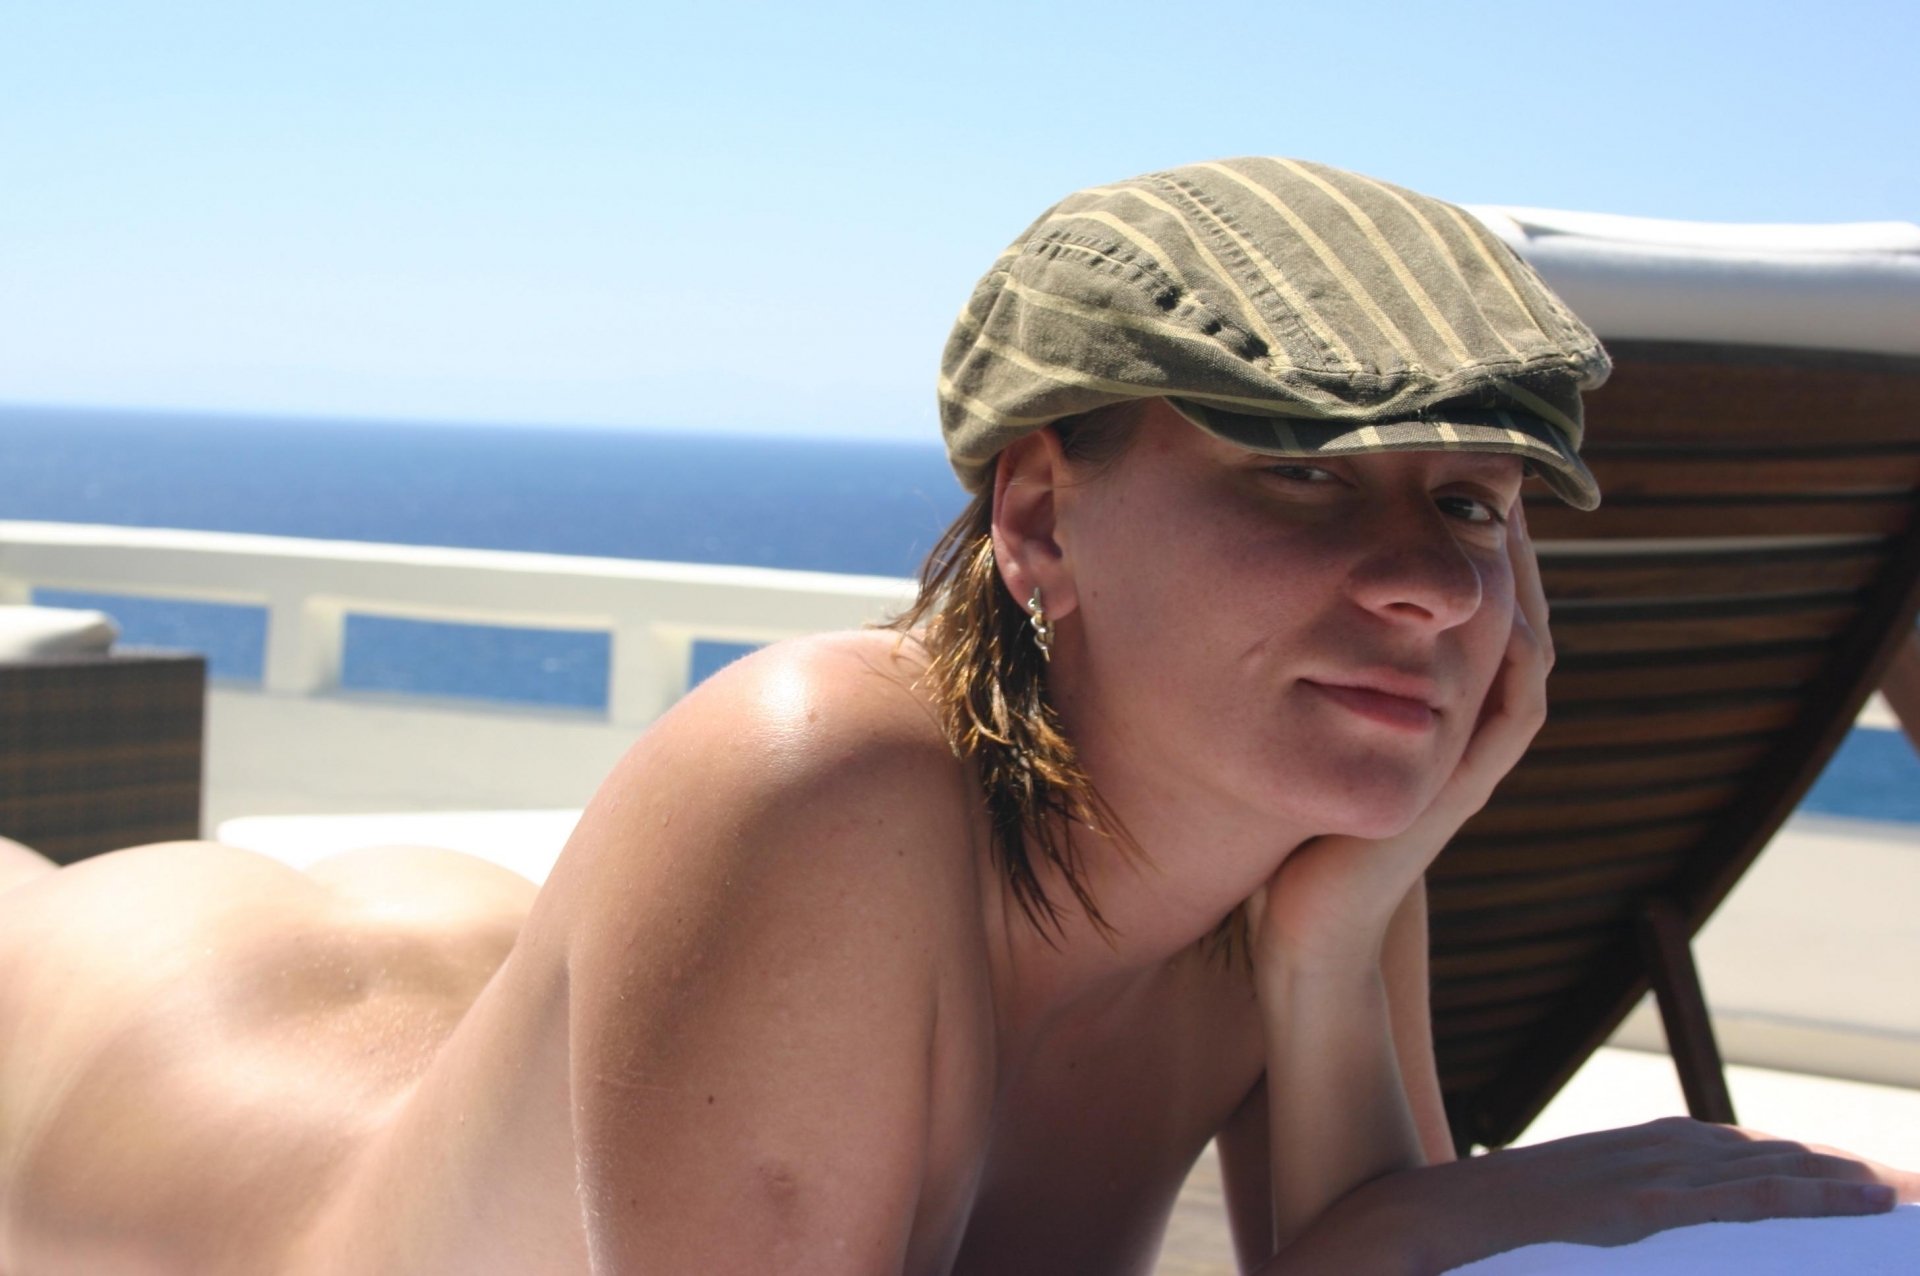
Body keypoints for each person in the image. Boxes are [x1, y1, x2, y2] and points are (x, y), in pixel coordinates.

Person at [0, 157, 1912, 1276]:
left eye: (1475, 506)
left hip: (481, 994)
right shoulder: (819, 777)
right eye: (1304, 474)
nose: (1424, 581)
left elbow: (1344, 1247)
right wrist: (1411, 1233)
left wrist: (1339, 945)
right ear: (1040, 516)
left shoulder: (1310, 852)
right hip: (159, 1086)